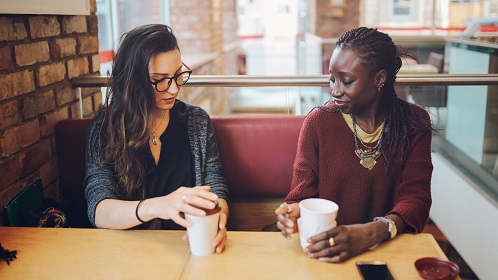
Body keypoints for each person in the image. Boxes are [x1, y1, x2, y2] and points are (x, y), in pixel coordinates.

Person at [275, 27, 433, 263]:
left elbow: (416, 201)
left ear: (379, 79)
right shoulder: (318, 123)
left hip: (389, 253)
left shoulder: (415, 123)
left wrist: (373, 232)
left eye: (347, 81)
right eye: (331, 79)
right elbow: (300, 196)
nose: (335, 90)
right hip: (326, 253)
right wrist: (293, 212)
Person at [84, 24, 229, 253]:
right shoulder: (105, 129)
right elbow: (99, 210)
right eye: (160, 80)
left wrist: (219, 216)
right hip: (128, 255)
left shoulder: (197, 122)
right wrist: (158, 206)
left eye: (178, 75)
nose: (173, 89)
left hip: (189, 251)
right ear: (133, 81)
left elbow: (216, 186)